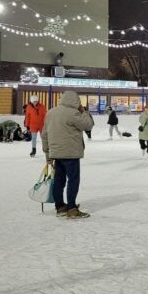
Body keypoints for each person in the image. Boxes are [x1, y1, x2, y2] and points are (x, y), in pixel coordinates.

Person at [41, 90, 94, 218]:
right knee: (73, 180)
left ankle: (60, 207)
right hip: (71, 154)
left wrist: (48, 156)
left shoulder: (51, 112)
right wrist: (84, 111)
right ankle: (72, 209)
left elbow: (44, 135)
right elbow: (88, 125)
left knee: (59, 181)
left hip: (56, 154)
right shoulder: (73, 113)